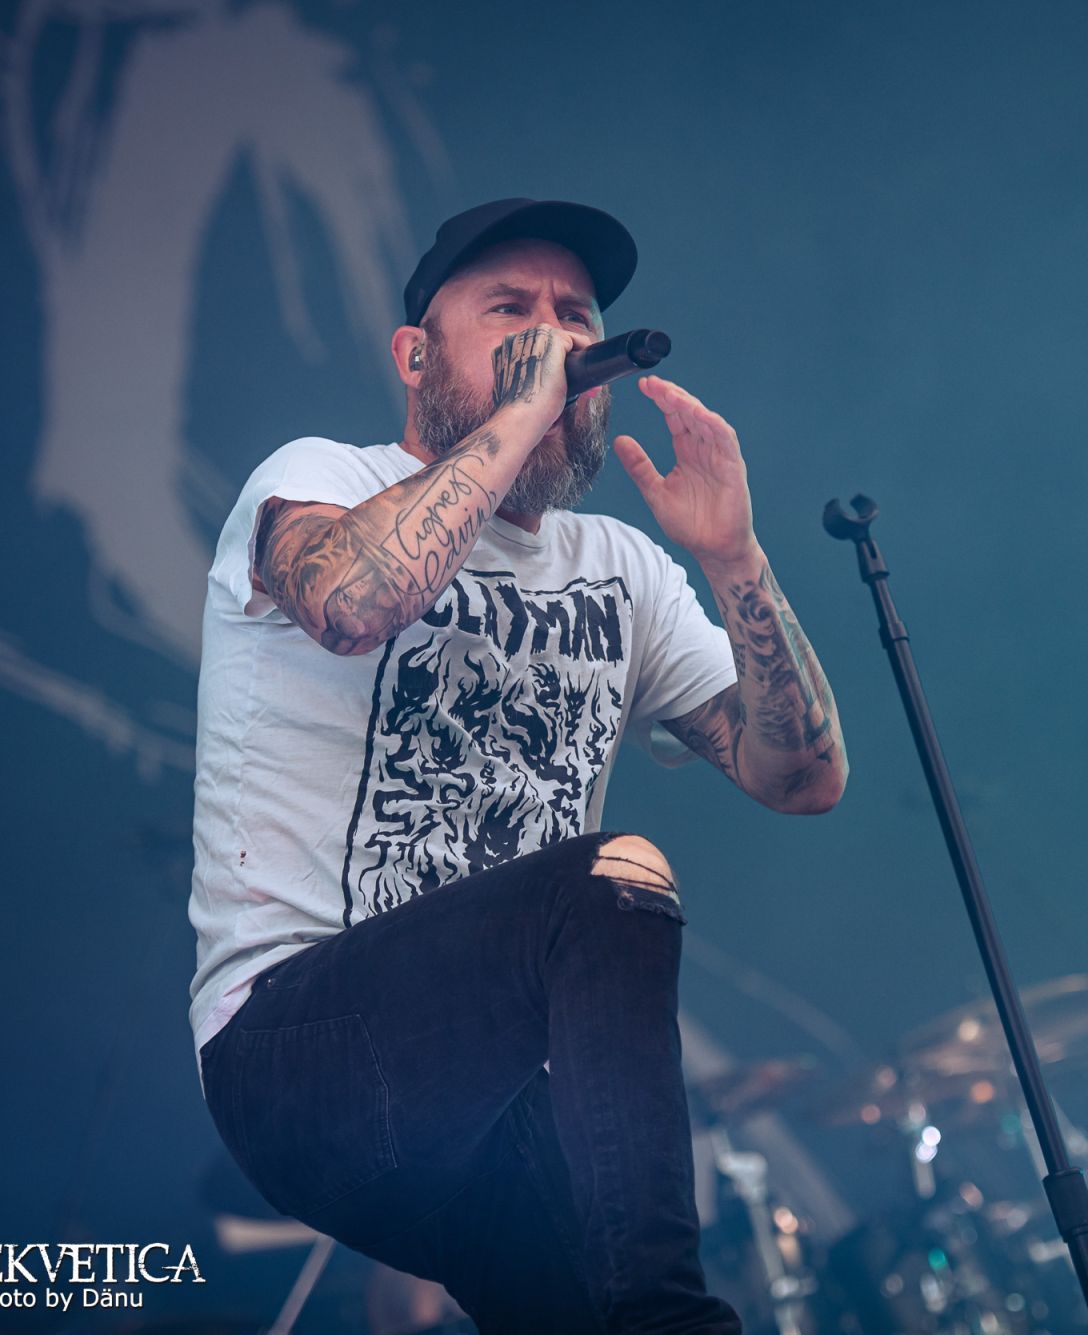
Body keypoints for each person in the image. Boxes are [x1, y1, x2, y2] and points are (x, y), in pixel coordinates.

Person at [187, 198, 847, 1333]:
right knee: (609, 880)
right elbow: (353, 604)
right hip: (297, 1049)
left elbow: (801, 778)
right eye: (509, 309)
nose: (553, 335)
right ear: (413, 355)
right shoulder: (319, 475)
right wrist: (517, 413)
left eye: (573, 316)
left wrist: (733, 556)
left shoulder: (623, 568)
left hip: (499, 1092)